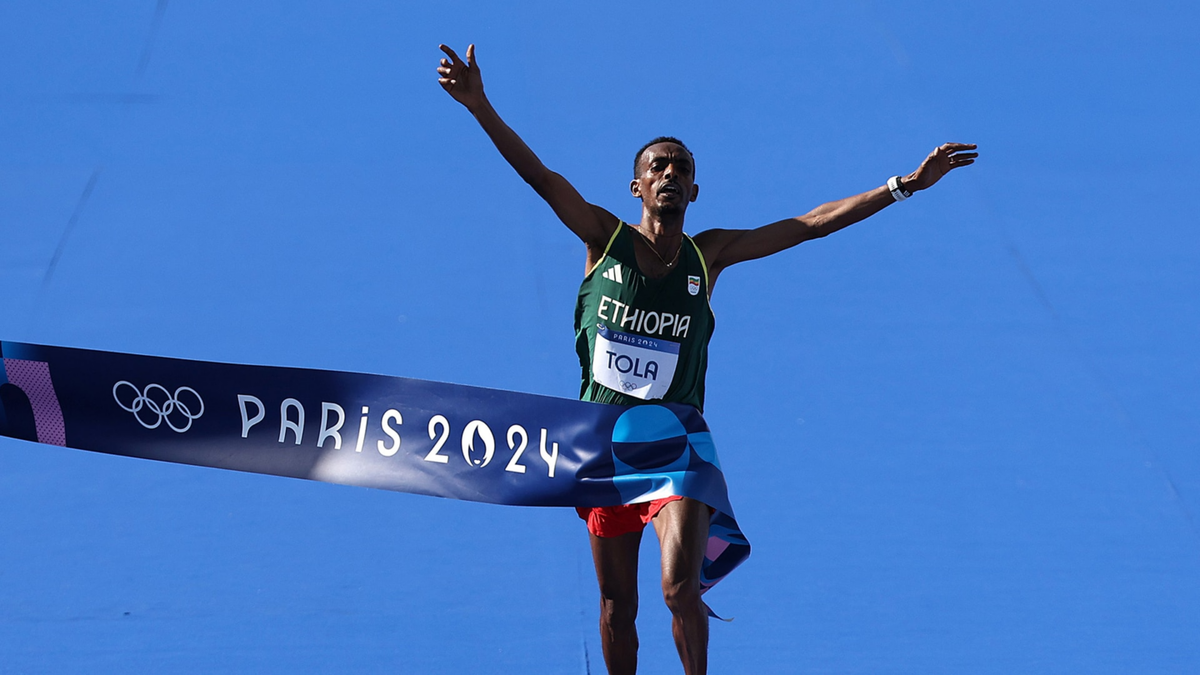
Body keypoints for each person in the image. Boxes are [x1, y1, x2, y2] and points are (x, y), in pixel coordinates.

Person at [435, 43, 977, 675]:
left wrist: (904, 185)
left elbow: (811, 223)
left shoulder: (708, 255)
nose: (668, 173)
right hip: (602, 446)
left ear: (695, 188)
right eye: (657, 166)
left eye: (680, 167)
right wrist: (480, 106)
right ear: (636, 185)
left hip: (679, 444)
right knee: (617, 608)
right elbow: (542, 178)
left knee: (677, 589)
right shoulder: (602, 239)